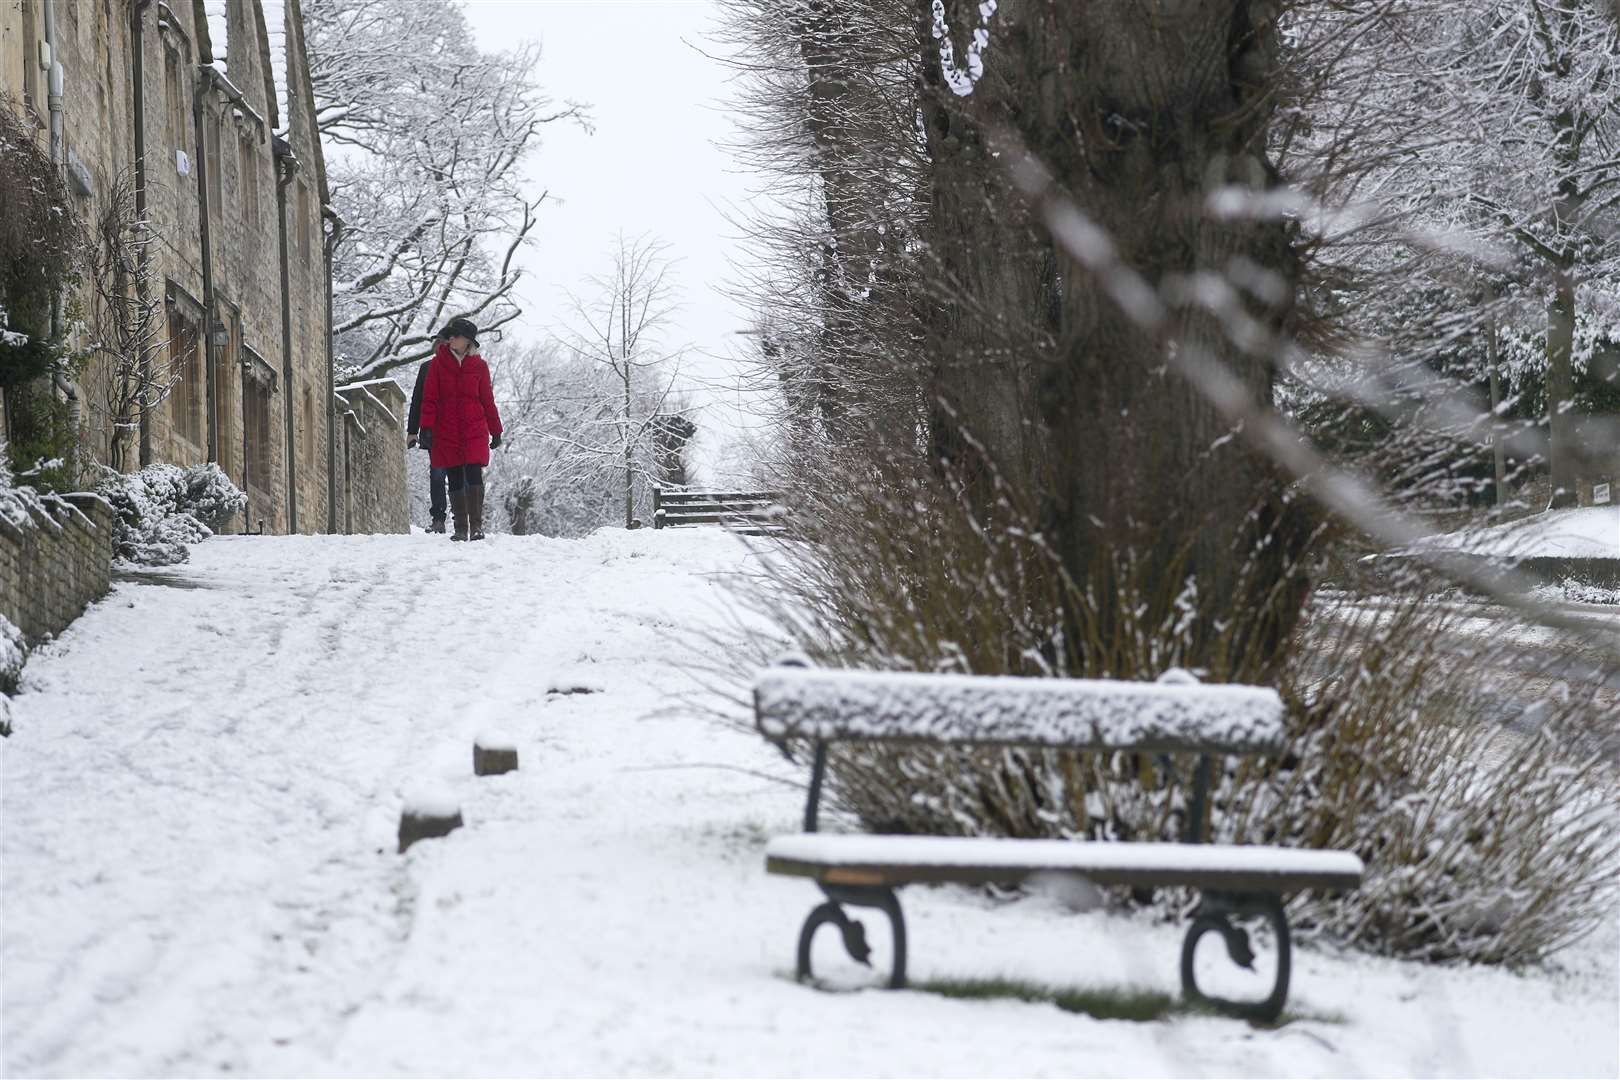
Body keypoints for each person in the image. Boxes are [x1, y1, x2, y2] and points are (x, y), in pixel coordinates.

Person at [416, 317, 503, 541]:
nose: (451, 338)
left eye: (456, 335)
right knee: (454, 474)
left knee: (474, 472)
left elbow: (487, 399)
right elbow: (429, 399)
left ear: (467, 341)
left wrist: (496, 430)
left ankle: (476, 526)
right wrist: (425, 427)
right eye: (450, 335)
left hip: (474, 427)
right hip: (446, 428)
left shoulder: (479, 366)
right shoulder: (437, 365)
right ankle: (460, 527)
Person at [406, 353, 448, 533]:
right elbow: (417, 401)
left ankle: (464, 518)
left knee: (460, 473)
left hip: (459, 430)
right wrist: (412, 431)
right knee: (437, 474)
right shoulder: (427, 368)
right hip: (433, 431)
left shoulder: (463, 366)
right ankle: (438, 518)